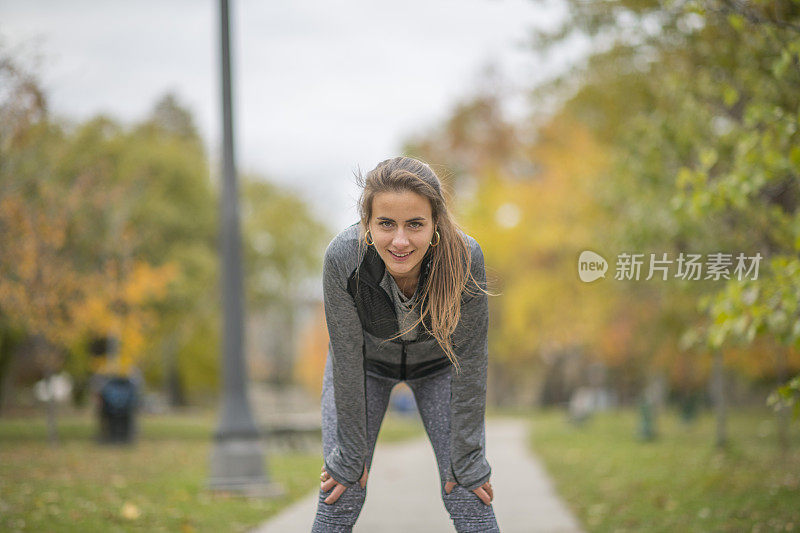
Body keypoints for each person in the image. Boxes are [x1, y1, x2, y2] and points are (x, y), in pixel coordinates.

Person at [311, 156, 499, 532]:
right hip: (365, 367)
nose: (400, 240)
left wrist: (468, 458)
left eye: (415, 224)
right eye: (386, 224)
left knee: (466, 486)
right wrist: (349, 456)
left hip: (439, 368)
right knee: (342, 485)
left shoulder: (465, 259)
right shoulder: (343, 258)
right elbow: (346, 357)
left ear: (435, 225)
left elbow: (471, 361)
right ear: (367, 224)